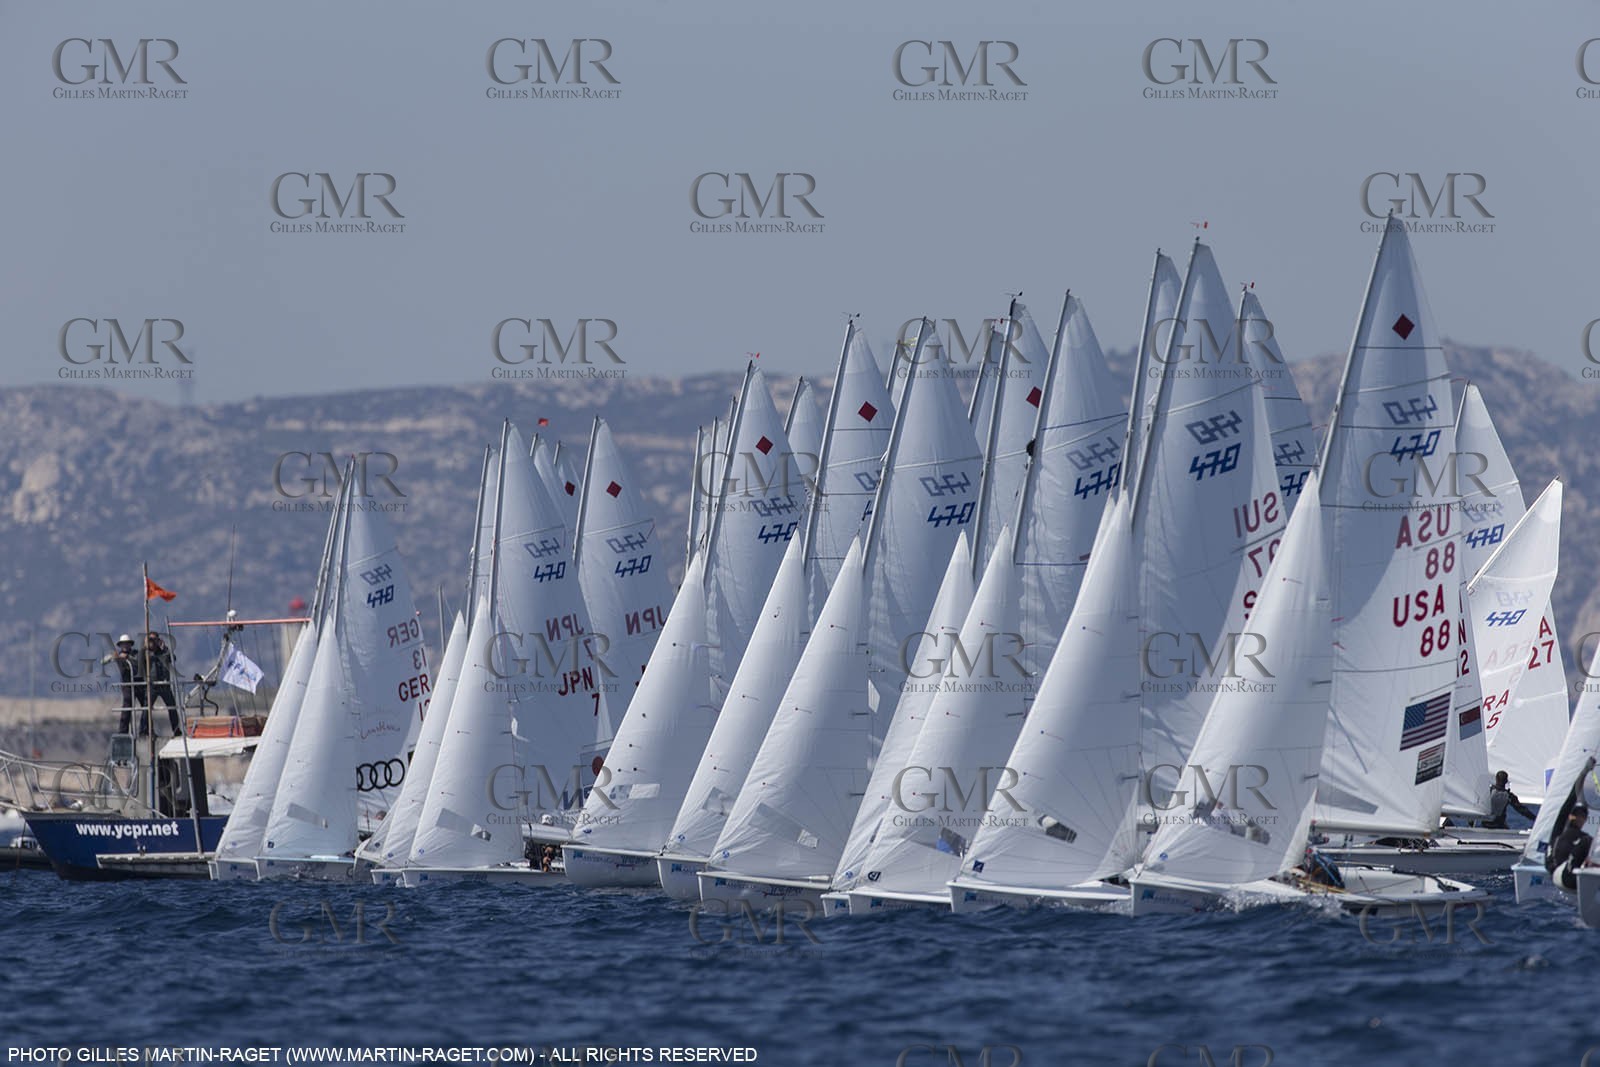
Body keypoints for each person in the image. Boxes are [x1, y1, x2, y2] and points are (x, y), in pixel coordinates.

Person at [143, 631, 182, 735]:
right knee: (146, 707)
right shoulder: (146, 653)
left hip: (164, 684)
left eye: (154, 639)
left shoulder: (163, 653)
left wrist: (164, 648)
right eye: (151, 639)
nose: (153, 642)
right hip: (152, 685)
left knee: (172, 707)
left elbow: (173, 659)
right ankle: (143, 730)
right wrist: (146, 646)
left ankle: (176, 729)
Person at [1545, 804, 1592, 891]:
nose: (1583, 819)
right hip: (1566, 878)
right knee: (1588, 840)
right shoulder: (1583, 838)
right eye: (1582, 816)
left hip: (1554, 876)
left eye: (1584, 817)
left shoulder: (1559, 835)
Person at [104, 635, 141, 733]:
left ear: (130, 644)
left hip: (139, 683)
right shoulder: (118, 656)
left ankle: (146, 730)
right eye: (123, 644)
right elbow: (103, 661)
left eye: (127, 643)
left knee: (146, 706)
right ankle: (123, 731)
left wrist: (127, 657)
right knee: (127, 707)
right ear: (120, 645)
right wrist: (114, 657)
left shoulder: (136, 654)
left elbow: (139, 663)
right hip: (127, 685)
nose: (125, 645)